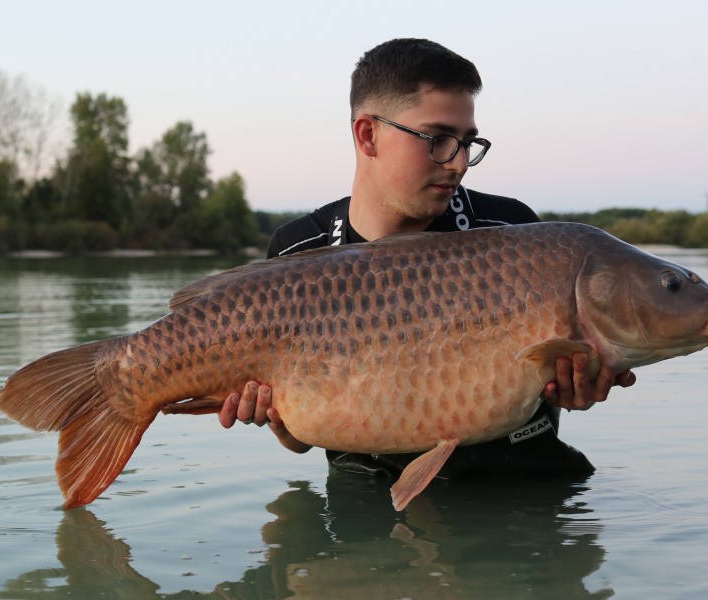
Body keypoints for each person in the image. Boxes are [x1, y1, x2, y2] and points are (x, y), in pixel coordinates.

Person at [218, 38, 636, 479]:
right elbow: (298, 440)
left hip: (521, 492)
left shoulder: (512, 232)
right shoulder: (298, 251)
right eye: (438, 139)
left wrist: (578, 389)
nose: (458, 164)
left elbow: (554, 382)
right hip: (365, 505)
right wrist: (273, 416)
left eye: (467, 142)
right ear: (367, 135)